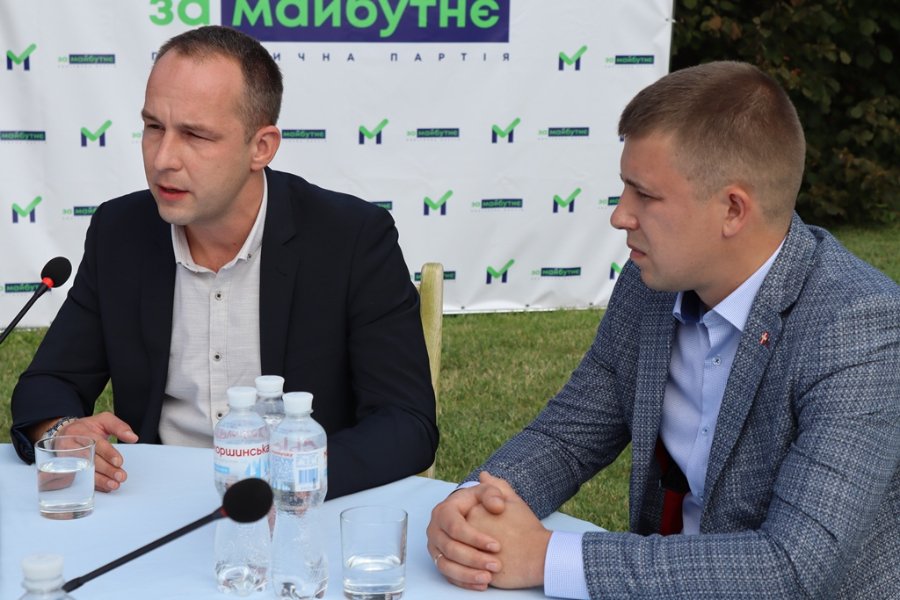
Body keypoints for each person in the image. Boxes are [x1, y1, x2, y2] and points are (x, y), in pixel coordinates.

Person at [426, 61, 899, 598]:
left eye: (645, 195)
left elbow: (792, 568)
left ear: (733, 210)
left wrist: (547, 557)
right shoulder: (649, 282)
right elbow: (568, 436)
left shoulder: (859, 325)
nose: (620, 216)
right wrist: (472, 506)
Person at [10, 25, 438, 500]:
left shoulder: (351, 238)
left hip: (299, 507)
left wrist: (289, 479)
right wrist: (61, 431)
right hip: (152, 500)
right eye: (154, 127)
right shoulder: (120, 232)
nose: (163, 159)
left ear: (261, 147)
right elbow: (50, 381)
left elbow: (406, 422)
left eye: (195, 134)